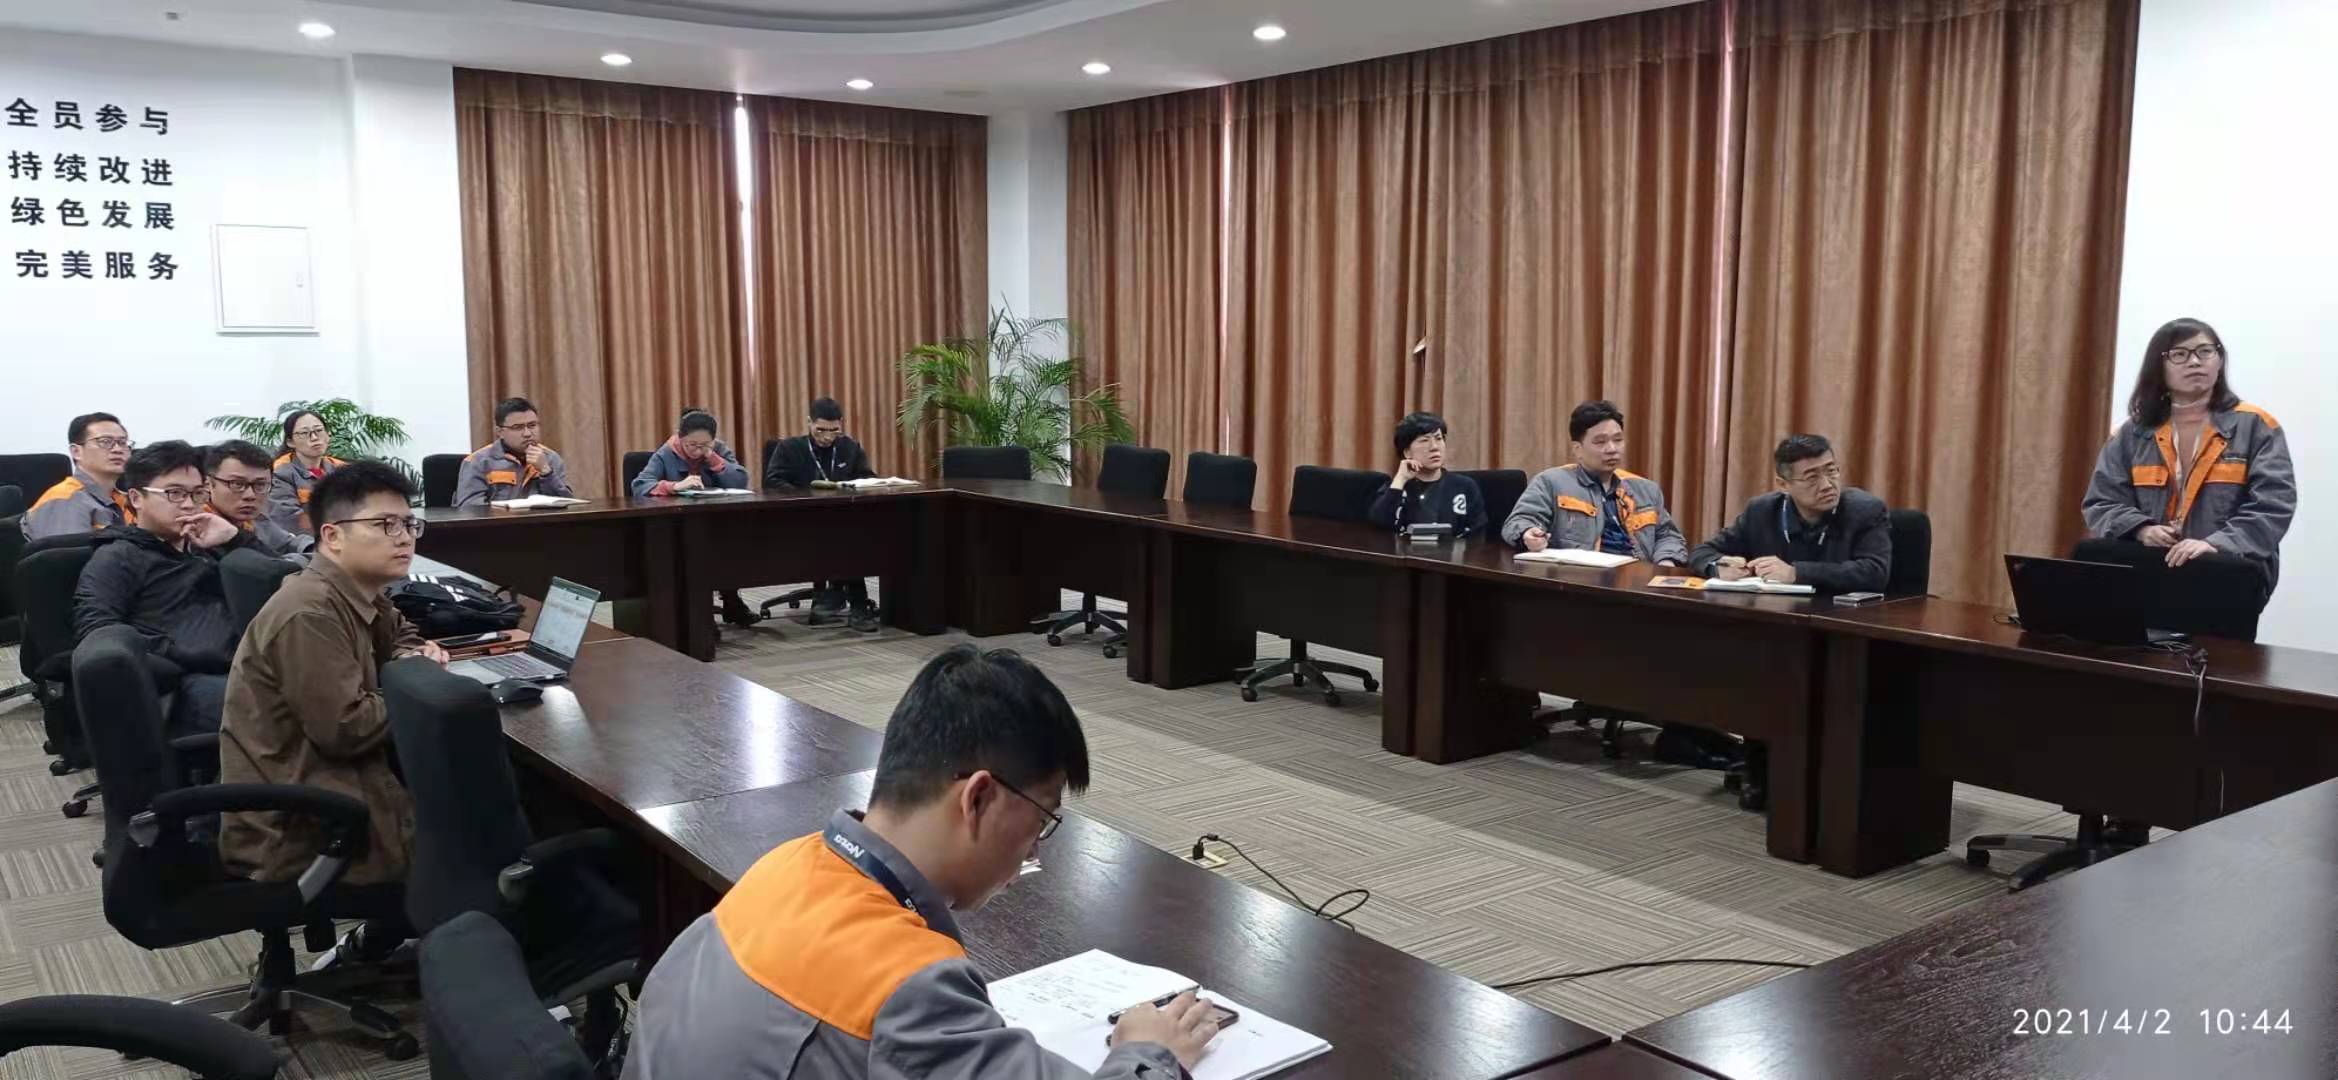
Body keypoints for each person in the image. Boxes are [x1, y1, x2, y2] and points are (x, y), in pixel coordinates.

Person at [623, 644, 1221, 1079]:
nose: (1036, 848)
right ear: (978, 797)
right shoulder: (907, 986)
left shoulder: (785, 868)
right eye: (1042, 819)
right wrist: (1150, 1052)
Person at [219, 462, 449, 890]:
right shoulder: (309, 612)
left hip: (332, 783)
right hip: (300, 828)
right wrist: (417, 677)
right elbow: (347, 728)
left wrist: (408, 656)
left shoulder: (356, 589)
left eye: (408, 523)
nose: (403, 537)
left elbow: (402, 632)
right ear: (333, 536)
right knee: (482, 818)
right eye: (384, 524)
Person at [2082, 317, 2293, 591]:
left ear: (2219, 360)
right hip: (2148, 568)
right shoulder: (2130, 433)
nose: (2195, 361)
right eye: (2180, 354)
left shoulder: (2257, 426)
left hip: (2226, 571)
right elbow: (2102, 502)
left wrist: (2216, 544)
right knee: (2088, 559)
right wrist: (2141, 529)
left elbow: (2273, 504)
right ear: (2158, 366)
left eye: (2205, 351)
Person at [73, 441, 246, 737]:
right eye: (175, 493)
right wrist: (174, 652)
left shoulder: (209, 544)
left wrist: (236, 540)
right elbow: (96, 631)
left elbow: (277, 586)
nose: (189, 504)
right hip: (186, 682)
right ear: (136, 498)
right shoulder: (118, 556)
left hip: (249, 660)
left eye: (198, 493)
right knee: (280, 711)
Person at [1689, 434, 1892, 594]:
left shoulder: (1865, 510)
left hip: (1840, 619)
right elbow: (1702, 552)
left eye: (1831, 471)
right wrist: (1717, 566)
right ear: (1783, 485)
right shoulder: (1762, 511)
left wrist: (1796, 573)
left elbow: (1875, 573)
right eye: (1812, 477)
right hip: (1776, 618)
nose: (1827, 485)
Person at [1501, 400, 1689, 566]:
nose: (1612, 449)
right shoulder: (1551, 482)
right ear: (1578, 449)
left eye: (1618, 440)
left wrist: (1665, 563)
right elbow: (1518, 521)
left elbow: (1668, 536)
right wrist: (1528, 533)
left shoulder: (1646, 489)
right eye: (1600, 442)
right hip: (1581, 582)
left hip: (1637, 582)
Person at [632, 407, 760, 626]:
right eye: (692, 445)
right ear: (680, 437)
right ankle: (701, 614)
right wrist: (674, 486)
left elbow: (740, 481)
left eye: (705, 445)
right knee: (699, 552)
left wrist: (714, 459)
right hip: (678, 526)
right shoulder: (666, 453)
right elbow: (640, 485)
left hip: (715, 522)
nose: (698, 450)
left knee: (730, 544)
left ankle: (731, 600)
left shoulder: (717, 449)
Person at [765, 397, 881, 631]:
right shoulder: (790, 448)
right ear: (809, 422)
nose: (827, 437)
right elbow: (772, 482)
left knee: (851, 534)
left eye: (834, 430)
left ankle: (835, 594)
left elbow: (866, 477)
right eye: (821, 430)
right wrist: (806, 495)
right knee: (848, 538)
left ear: (841, 424)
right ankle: (856, 604)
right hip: (801, 519)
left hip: (842, 517)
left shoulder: (849, 447)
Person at [1367, 411, 1487, 537]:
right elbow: (1378, 526)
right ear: (1407, 452)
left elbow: (1478, 535)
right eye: (1424, 440)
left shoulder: (1465, 487)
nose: (1434, 447)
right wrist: (1400, 479)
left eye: (1438, 438)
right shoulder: (1395, 488)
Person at [23, 411, 134, 540]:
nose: (117, 449)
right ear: (76, 452)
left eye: (122, 442)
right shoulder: (64, 500)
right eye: (105, 441)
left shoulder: (128, 500)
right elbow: (67, 552)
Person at [454, 397, 574, 507]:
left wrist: (546, 472)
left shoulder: (551, 458)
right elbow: (469, 509)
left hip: (539, 523)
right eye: (517, 427)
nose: (527, 433)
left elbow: (565, 505)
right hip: (498, 522)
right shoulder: (477, 462)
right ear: (500, 432)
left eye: (532, 425)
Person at [207, 440, 314, 557]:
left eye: (260, 485)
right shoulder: (201, 531)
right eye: (237, 484)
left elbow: (289, 543)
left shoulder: (257, 521)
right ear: (208, 484)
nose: (250, 495)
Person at [266, 408, 345, 533]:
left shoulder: (341, 469)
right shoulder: (280, 473)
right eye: (304, 433)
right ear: (290, 442)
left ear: (328, 435)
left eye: (319, 430)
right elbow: (288, 519)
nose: (314, 437)